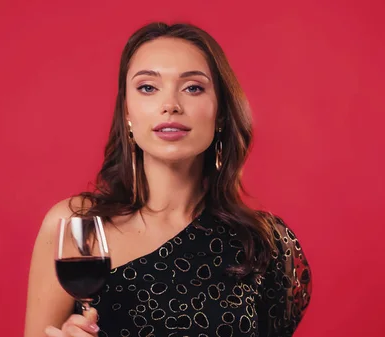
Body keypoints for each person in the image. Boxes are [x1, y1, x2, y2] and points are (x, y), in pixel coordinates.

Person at [24, 22, 312, 337]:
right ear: (127, 113)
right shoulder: (79, 225)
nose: (170, 105)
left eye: (193, 87)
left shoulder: (265, 241)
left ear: (220, 114)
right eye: (148, 87)